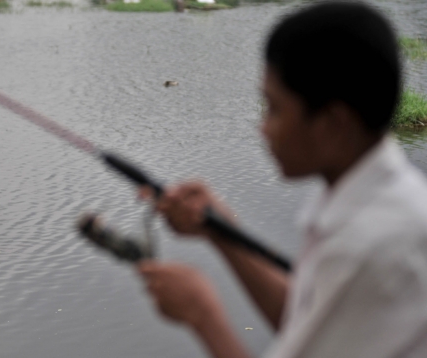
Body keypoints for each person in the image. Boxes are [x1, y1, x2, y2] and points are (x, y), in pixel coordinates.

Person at [137, 2, 427, 358]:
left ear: (334, 124)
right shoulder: (375, 200)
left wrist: (202, 315)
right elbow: (309, 326)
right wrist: (221, 229)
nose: (263, 129)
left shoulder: (370, 245)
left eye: (274, 108)